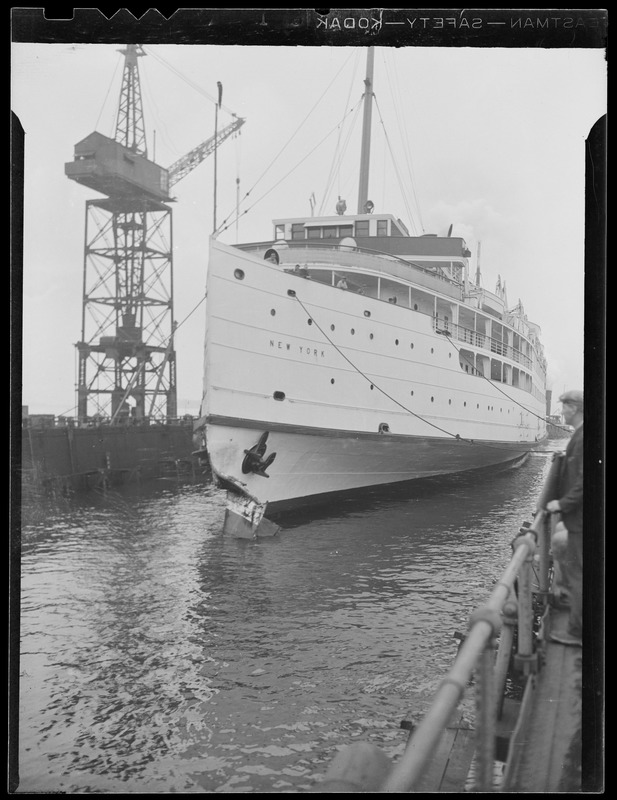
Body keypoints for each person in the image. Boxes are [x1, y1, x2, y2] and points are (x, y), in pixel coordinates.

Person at [545, 389, 584, 647]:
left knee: (579, 573)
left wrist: (562, 502)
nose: (561, 411)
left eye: (564, 406)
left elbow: (586, 481)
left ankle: (577, 631)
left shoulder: (583, 438)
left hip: (579, 519)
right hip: (578, 519)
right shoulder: (579, 436)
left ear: (575, 407)